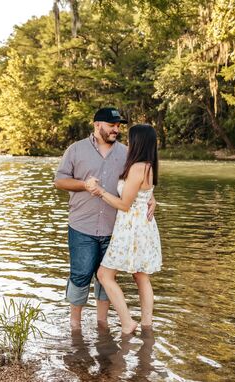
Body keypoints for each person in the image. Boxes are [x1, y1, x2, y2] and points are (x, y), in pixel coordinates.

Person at [54, 107, 156, 329]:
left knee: (105, 279)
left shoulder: (128, 153)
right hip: (82, 224)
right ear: (97, 125)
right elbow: (59, 181)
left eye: (119, 126)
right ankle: (75, 326)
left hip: (114, 227)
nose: (116, 130)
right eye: (112, 125)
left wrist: (152, 198)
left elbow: (140, 185)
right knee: (80, 275)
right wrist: (83, 184)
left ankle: (102, 323)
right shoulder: (75, 150)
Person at [89, 124, 162, 335]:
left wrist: (100, 191)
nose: (127, 142)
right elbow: (144, 193)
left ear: (138, 141)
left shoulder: (138, 167)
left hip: (131, 228)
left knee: (104, 274)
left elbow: (124, 204)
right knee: (141, 276)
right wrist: (152, 199)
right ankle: (147, 326)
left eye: (130, 139)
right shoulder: (149, 165)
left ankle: (127, 322)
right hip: (143, 227)